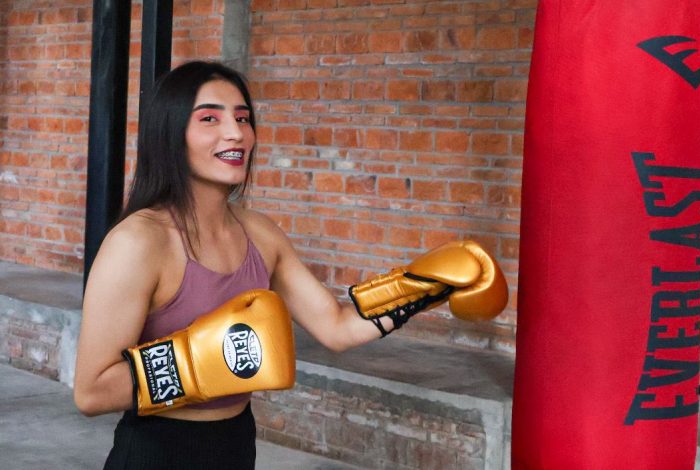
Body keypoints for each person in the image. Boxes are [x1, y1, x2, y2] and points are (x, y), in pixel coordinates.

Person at [73, 61, 507, 470]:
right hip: (157, 451)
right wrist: (195, 364)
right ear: (170, 134)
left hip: (237, 442)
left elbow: (336, 326)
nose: (235, 133)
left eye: (243, 119)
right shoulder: (138, 241)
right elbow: (91, 391)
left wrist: (422, 285)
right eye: (210, 119)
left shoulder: (260, 233)